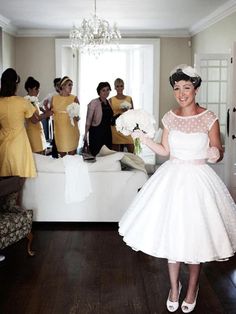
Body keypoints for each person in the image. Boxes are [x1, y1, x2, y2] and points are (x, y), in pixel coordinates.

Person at [118, 64, 236, 313]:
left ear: (196, 89)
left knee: (196, 236)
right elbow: (165, 151)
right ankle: (174, 287)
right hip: (171, 179)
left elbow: (218, 152)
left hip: (198, 181)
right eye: (177, 88)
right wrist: (142, 137)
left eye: (187, 87)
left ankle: (192, 289)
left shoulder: (209, 118)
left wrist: (214, 153)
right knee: (172, 234)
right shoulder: (169, 117)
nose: (182, 93)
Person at [0, 68, 39, 261]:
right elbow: (34, 119)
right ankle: (16, 215)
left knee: (4, 184)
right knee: (17, 185)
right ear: (16, 83)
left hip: (3, 147)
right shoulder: (21, 102)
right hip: (19, 147)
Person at [51, 76, 80, 157]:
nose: (71, 87)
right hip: (60, 130)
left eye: (72, 85)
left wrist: (76, 117)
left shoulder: (74, 98)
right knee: (62, 156)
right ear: (63, 86)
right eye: (69, 85)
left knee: (72, 156)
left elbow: (77, 116)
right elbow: (50, 112)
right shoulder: (54, 98)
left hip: (71, 129)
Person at [84, 82, 114, 156]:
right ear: (99, 92)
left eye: (107, 90)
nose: (106, 92)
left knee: (107, 154)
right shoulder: (94, 102)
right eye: (103, 90)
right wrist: (85, 134)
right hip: (96, 133)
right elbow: (88, 120)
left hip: (107, 132)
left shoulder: (109, 102)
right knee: (96, 154)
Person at [24, 76, 52, 154]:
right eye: (36, 89)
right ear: (29, 89)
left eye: (38, 89)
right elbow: (34, 120)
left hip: (39, 132)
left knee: (42, 153)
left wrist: (46, 108)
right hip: (33, 134)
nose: (38, 91)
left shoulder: (34, 101)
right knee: (38, 156)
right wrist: (46, 115)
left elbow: (40, 115)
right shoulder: (27, 102)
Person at [109, 78, 134, 153]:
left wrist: (127, 112)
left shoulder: (129, 98)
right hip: (116, 128)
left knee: (131, 148)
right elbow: (109, 115)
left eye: (121, 86)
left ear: (123, 87)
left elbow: (133, 113)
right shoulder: (111, 100)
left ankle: (130, 164)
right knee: (116, 153)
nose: (119, 88)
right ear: (115, 88)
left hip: (127, 127)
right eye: (117, 86)